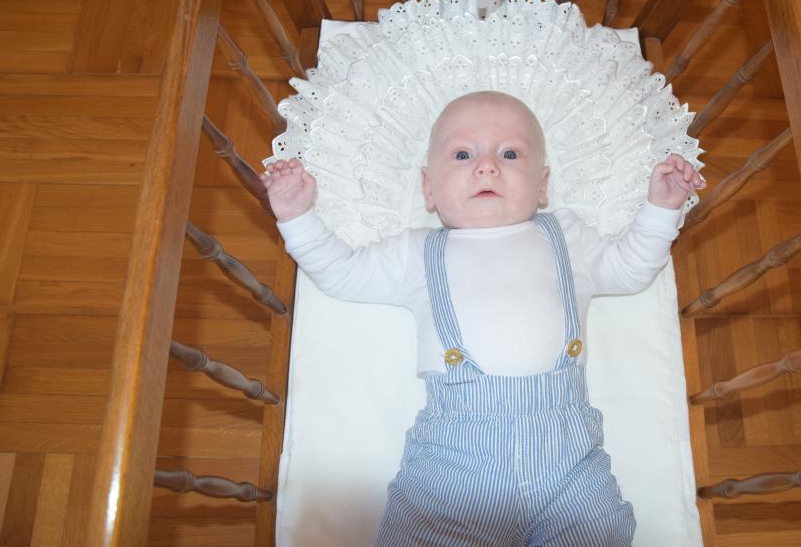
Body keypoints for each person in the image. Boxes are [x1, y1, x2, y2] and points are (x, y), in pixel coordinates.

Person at [261, 91, 704, 547]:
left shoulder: (567, 238)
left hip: (569, 459)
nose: (487, 166)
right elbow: (344, 273)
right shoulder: (416, 252)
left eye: (510, 154)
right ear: (429, 188)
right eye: (462, 155)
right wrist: (297, 217)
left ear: (542, 185)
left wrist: (661, 209)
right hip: (456, 460)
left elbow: (629, 268)